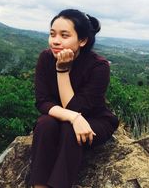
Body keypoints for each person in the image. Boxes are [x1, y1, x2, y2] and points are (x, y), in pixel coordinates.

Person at [29, 9, 119, 188]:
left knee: (70, 133)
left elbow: (77, 107)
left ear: (83, 40)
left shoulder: (98, 66)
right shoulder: (46, 58)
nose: (55, 41)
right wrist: (73, 117)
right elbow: (42, 101)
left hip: (95, 119)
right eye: (52, 34)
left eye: (64, 35)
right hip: (65, 117)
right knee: (45, 124)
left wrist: (62, 71)